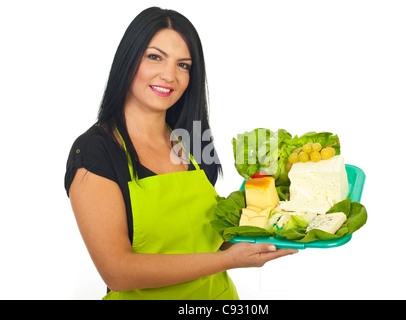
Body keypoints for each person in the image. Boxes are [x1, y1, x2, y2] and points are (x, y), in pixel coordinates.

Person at [64, 7, 297, 300]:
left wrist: (281, 219)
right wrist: (228, 260)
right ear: (128, 59)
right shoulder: (96, 151)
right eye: (155, 57)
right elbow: (118, 272)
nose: (169, 75)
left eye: (183, 65)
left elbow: (208, 234)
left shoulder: (195, 139)